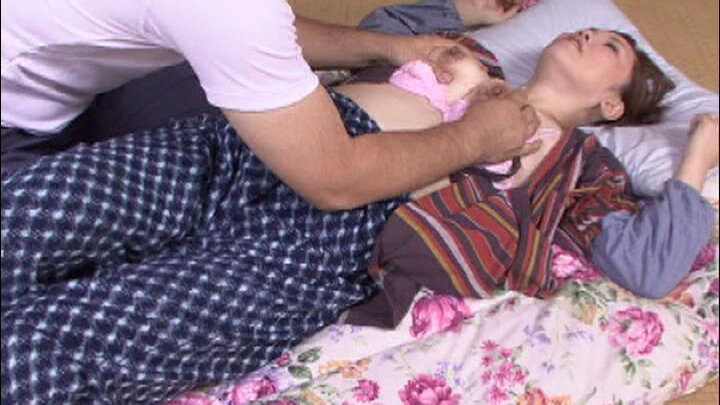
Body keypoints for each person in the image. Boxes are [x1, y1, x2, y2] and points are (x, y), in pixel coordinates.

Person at [2, 25, 716, 403]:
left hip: (322, 242)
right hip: (258, 148)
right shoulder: (467, 55)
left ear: (612, 104)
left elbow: (646, 266)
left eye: (611, 44)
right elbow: (383, 27)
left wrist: (699, 152)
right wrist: (448, 31)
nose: (588, 33)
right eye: (585, 26)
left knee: (47, 343)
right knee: (25, 214)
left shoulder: (582, 167)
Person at [1, 0, 539, 211]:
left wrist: (390, 47)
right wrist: (477, 137)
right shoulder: (228, 11)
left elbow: (265, 30)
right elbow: (335, 181)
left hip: (60, 87)